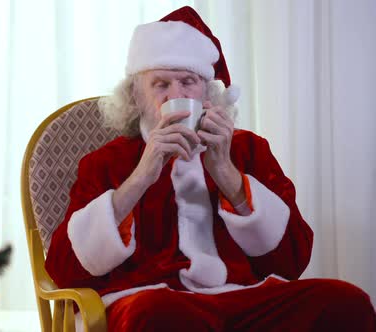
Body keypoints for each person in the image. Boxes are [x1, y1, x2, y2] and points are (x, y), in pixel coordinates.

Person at [45, 6, 376, 332]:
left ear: (207, 91)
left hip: (241, 299)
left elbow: (292, 262)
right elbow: (65, 270)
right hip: (156, 301)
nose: (176, 95)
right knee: (156, 313)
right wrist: (140, 178)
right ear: (136, 97)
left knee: (346, 302)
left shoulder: (248, 150)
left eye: (188, 81)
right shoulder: (107, 161)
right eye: (161, 84)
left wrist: (226, 173)